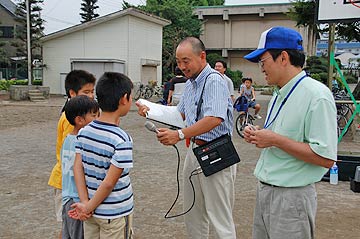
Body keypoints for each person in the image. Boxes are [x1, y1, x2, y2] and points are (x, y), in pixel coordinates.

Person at [136, 37, 236, 239]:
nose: (181, 66)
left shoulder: (214, 81)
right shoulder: (190, 84)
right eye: (178, 61)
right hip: (195, 151)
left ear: (202, 56)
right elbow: (179, 115)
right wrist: (151, 110)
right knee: (193, 211)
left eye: (186, 61)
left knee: (219, 217)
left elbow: (214, 118)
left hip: (216, 150)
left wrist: (179, 134)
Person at [243, 26, 337, 239]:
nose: (261, 68)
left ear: (283, 57)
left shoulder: (317, 96)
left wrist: (274, 139)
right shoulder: (279, 92)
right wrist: (261, 134)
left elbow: (326, 157)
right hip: (266, 190)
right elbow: (282, 136)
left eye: (263, 61)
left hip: (292, 197)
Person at [68, 72, 134, 239]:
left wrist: (85, 203)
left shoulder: (84, 132)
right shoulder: (122, 139)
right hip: (114, 213)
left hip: (91, 212)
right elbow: (109, 182)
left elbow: (77, 167)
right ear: (124, 99)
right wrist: (88, 206)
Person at [48, 70, 96, 238]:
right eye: (86, 92)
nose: (91, 96)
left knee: (68, 227)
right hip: (68, 185)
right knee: (70, 227)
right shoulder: (75, 126)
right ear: (72, 93)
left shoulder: (72, 114)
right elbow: (76, 164)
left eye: (92, 92)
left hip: (66, 183)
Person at [61, 95, 99, 239]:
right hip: (77, 201)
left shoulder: (68, 139)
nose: (97, 119)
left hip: (67, 198)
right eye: (94, 116)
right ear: (79, 120)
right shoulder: (81, 141)